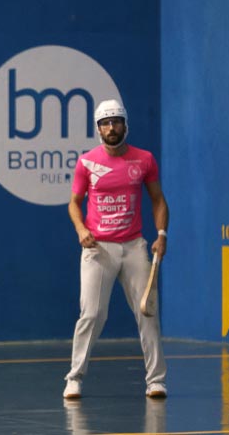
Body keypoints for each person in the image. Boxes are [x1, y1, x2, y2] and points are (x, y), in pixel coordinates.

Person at [63, 99, 169, 400]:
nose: (111, 127)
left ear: (125, 124)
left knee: (147, 311)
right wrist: (82, 230)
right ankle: (74, 378)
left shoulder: (144, 160)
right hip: (99, 249)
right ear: (98, 128)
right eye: (105, 123)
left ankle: (156, 380)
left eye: (116, 121)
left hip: (134, 246)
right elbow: (74, 203)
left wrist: (162, 234)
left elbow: (158, 199)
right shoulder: (86, 162)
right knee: (92, 314)